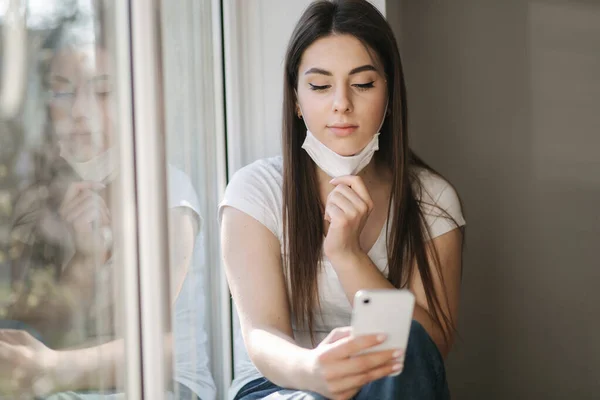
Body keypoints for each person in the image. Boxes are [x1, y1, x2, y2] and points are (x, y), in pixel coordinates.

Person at [219, 1, 466, 399]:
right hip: (282, 385)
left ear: (389, 96)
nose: (341, 104)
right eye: (319, 86)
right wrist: (315, 370)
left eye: (363, 84)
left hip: (388, 384)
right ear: (296, 100)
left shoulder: (431, 201)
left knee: (409, 348)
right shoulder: (255, 191)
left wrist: (348, 255)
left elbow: (429, 348)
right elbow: (261, 334)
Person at [1, 21, 215, 400]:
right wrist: (81, 259)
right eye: (62, 92)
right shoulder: (44, 196)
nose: (80, 112)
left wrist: (47, 367)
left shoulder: (165, 191)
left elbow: (155, 346)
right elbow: (51, 329)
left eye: (102, 91)